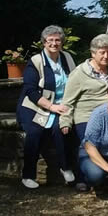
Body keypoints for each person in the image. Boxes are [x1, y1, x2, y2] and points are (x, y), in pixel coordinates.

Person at [59, 34, 108, 192]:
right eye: (102, 52)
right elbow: (68, 100)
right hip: (86, 116)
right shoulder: (79, 73)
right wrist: (65, 121)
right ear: (93, 53)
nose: (106, 56)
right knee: (88, 144)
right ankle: (83, 177)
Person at [17, 25, 76, 189]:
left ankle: (66, 168)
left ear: (62, 42)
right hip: (35, 106)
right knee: (35, 131)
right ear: (44, 42)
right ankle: (28, 175)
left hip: (62, 105)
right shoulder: (36, 61)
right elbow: (31, 91)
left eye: (57, 40)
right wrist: (51, 106)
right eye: (50, 40)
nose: (54, 43)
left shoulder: (67, 58)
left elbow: (75, 80)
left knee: (61, 128)